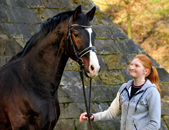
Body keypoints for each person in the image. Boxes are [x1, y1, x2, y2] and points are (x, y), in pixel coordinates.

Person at [79, 54, 161, 130]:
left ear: (145, 71)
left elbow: (155, 124)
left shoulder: (152, 92)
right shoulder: (124, 88)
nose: (132, 67)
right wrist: (93, 116)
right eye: (131, 64)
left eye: (136, 66)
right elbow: (111, 113)